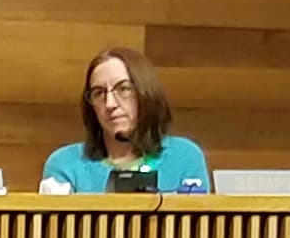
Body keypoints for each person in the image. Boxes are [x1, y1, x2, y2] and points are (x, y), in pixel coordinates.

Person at [41, 48, 212, 193]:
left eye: (123, 89)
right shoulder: (66, 164)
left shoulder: (184, 157)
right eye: (99, 93)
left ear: (146, 93)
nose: (110, 104)